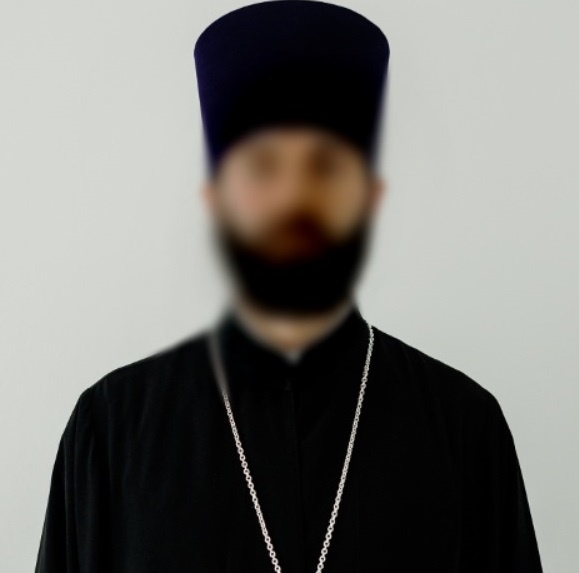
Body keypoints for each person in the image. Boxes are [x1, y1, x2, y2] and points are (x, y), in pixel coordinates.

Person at [34, 1, 543, 571]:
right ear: (216, 200)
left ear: (368, 197)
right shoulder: (110, 434)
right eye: (262, 166)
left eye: (326, 166)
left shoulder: (466, 431)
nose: (294, 199)